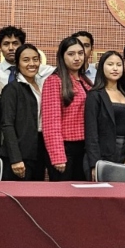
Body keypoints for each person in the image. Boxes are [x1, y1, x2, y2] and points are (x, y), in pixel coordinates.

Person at [42, 36, 91, 180]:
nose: (77, 58)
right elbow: (51, 123)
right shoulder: (54, 81)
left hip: (84, 146)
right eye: (71, 54)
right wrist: (58, 155)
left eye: (80, 53)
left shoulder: (85, 80)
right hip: (65, 148)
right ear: (62, 56)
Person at [1, 44, 49, 180]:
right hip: (20, 153)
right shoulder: (12, 89)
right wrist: (15, 158)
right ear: (17, 63)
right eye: (26, 60)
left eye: (35, 59)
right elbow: (7, 124)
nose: (32, 64)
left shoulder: (43, 85)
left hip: (39, 150)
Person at [84, 50, 125, 176]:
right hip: (103, 155)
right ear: (102, 67)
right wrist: (94, 163)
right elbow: (91, 133)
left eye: (118, 65)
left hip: (124, 155)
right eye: (110, 64)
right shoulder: (95, 95)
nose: (115, 68)